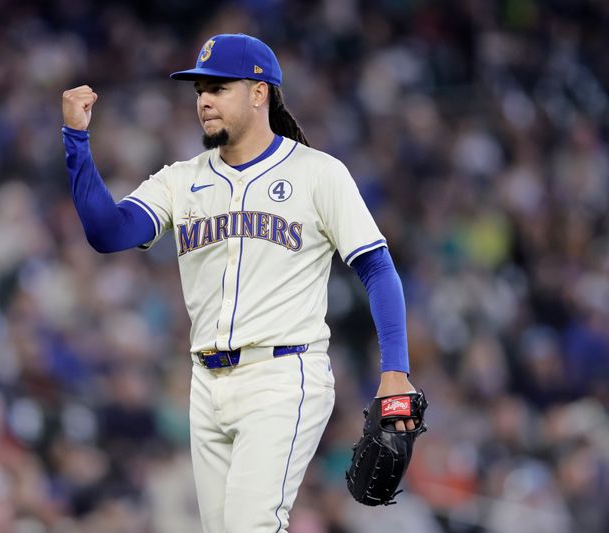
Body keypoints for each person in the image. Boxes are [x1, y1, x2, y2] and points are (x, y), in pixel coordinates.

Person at [61, 33, 417, 533]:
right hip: (205, 383)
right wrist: (77, 141)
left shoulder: (318, 174)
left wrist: (395, 370)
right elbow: (107, 232)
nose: (203, 100)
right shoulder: (181, 180)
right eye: (199, 89)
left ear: (258, 93)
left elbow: (376, 268)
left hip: (284, 373)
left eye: (219, 87)